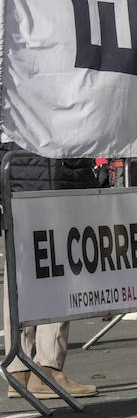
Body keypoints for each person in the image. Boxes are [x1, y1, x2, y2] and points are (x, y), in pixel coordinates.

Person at [3, 153, 101, 400]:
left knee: (20, 271)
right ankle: (47, 367)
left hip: (17, 175)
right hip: (54, 174)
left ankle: (18, 369)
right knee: (59, 268)